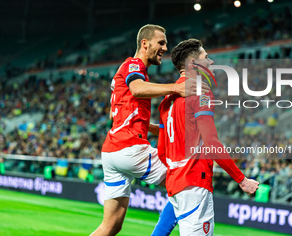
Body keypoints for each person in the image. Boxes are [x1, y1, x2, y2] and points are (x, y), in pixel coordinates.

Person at [90, 25, 209, 236]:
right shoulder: (134, 65)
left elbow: (113, 115)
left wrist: (164, 130)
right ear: (145, 43)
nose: (165, 47)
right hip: (129, 148)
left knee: (111, 226)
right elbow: (137, 89)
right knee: (186, 178)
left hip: (112, 152)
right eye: (161, 43)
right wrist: (176, 87)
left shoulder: (126, 72)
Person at [157, 39, 259, 235]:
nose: (211, 62)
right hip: (194, 182)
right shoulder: (201, 91)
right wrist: (241, 179)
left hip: (175, 183)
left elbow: (162, 150)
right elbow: (211, 142)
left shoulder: (166, 99)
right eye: (206, 57)